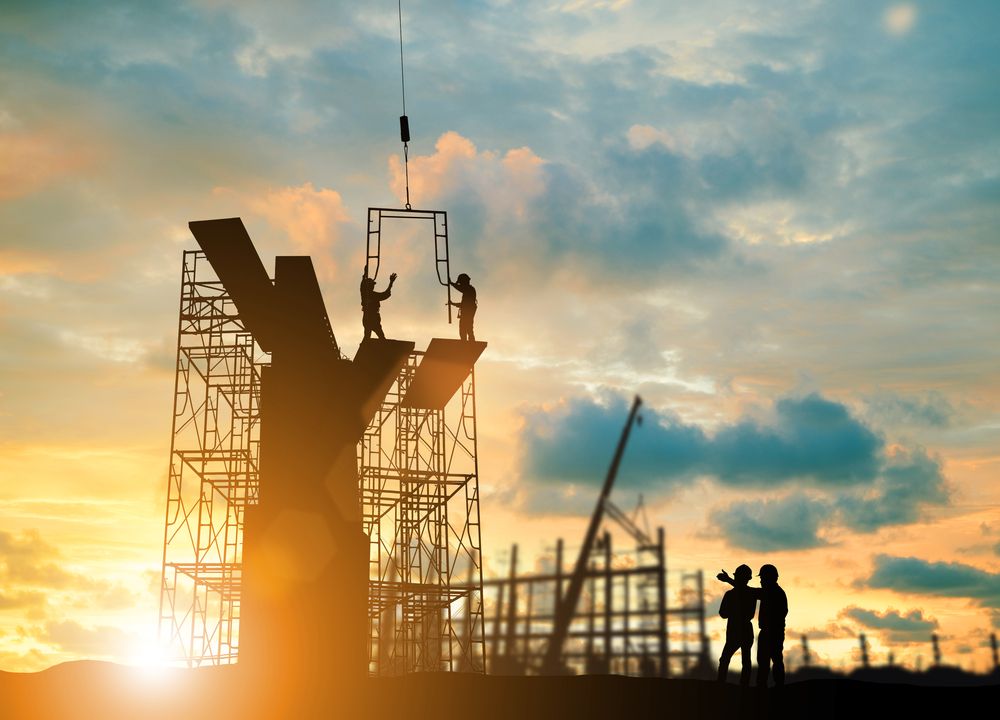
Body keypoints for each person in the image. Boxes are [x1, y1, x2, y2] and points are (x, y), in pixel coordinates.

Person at [718, 563, 788, 688]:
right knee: (763, 661)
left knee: (773, 660)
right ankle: (762, 687)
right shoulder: (769, 592)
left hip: (773, 632)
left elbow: (747, 591)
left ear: (770, 578)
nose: (760, 581)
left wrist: (729, 580)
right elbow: (746, 591)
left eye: (762, 578)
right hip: (766, 632)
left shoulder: (774, 593)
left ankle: (776, 688)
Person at [716, 564, 757, 685]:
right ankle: (729, 685)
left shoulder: (742, 593)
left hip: (737, 629)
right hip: (741, 630)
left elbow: (724, 613)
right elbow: (723, 613)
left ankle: (722, 684)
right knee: (743, 660)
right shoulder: (750, 593)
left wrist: (733, 611)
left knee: (728, 659)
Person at [360, 266, 397, 340]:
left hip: (371, 317)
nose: (373, 286)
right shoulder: (367, 294)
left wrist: (391, 283)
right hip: (371, 317)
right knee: (377, 336)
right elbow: (362, 286)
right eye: (372, 285)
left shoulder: (369, 294)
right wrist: (364, 274)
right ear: (369, 286)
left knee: (369, 336)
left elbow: (385, 294)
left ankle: (366, 346)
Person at [448, 273, 477, 341]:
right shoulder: (467, 291)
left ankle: (471, 345)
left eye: (461, 283)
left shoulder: (470, 290)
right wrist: (452, 303)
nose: (460, 284)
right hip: (465, 313)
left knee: (468, 328)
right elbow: (463, 304)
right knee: (463, 330)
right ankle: (464, 343)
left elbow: (461, 288)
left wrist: (451, 283)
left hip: (468, 314)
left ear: (464, 282)